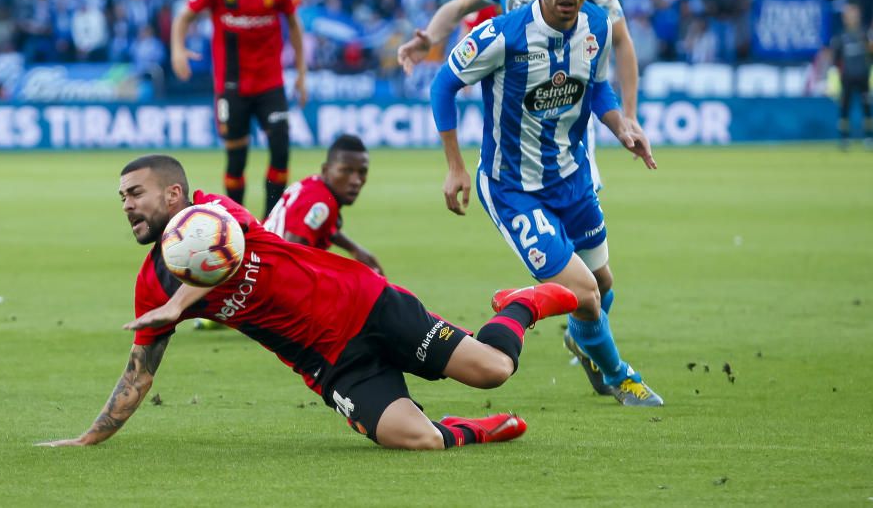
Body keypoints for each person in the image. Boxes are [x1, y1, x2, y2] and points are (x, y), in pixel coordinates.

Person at [37, 154, 580, 450]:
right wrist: (89, 437)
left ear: (174, 194)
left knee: (494, 370)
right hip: (331, 363)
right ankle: (481, 430)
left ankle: (521, 303)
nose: (126, 206)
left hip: (366, 303)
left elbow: (230, 249)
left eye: (135, 194)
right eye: (122, 199)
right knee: (415, 440)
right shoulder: (151, 285)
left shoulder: (214, 211)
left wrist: (178, 304)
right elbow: (139, 375)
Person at [399, 0, 651, 396]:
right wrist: (454, 166)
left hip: (572, 169)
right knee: (582, 291)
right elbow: (445, 77)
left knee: (601, 289)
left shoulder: (597, 18)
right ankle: (620, 376)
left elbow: (596, 81)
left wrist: (623, 121)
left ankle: (585, 341)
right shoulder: (502, 9)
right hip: (514, 180)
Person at [397, 0, 644, 194]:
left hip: (568, 111)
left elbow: (621, 40)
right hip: (514, 116)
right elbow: (459, 6)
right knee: (521, 207)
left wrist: (630, 114)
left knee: (577, 218)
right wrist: (428, 38)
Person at [171, 0, 307, 216]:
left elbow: (296, 28)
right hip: (232, 87)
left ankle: (272, 222)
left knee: (281, 152)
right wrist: (178, 50)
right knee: (236, 159)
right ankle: (239, 222)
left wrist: (301, 75)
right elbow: (183, 17)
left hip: (271, 84)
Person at [264, 133, 383, 274]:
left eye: (362, 172)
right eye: (346, 171)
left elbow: (320, 225)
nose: (356, 181)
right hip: (269, 277)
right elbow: (291, 253)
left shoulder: (314, 185)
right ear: (326, 170)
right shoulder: (322, 204)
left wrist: (354, 248)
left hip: (261, 263)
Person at [828, 2, 872, 149]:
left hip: (863, 76)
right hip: (846, 77)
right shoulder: (840, 37)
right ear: (844, 18)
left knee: (866, 107)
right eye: (849, 14)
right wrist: (834, 81)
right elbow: (835, 61)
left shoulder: (865, 34)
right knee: (845, 108)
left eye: (854, 14)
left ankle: (868, 137)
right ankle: (844, 138)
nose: (852, 17)